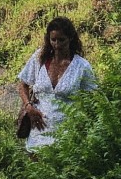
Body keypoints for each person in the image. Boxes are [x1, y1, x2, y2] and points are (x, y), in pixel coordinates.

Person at [16, 16, 97, 151]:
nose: (57, 45)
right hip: (38, 130)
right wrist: (28, 106)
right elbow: (23, 84)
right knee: (37, 168)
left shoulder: (81, 66)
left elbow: (94, 97)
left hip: (68, 133)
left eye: (61, 40)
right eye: (53, 40)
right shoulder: (39, 59)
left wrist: (84, 123)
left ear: (71, 38)